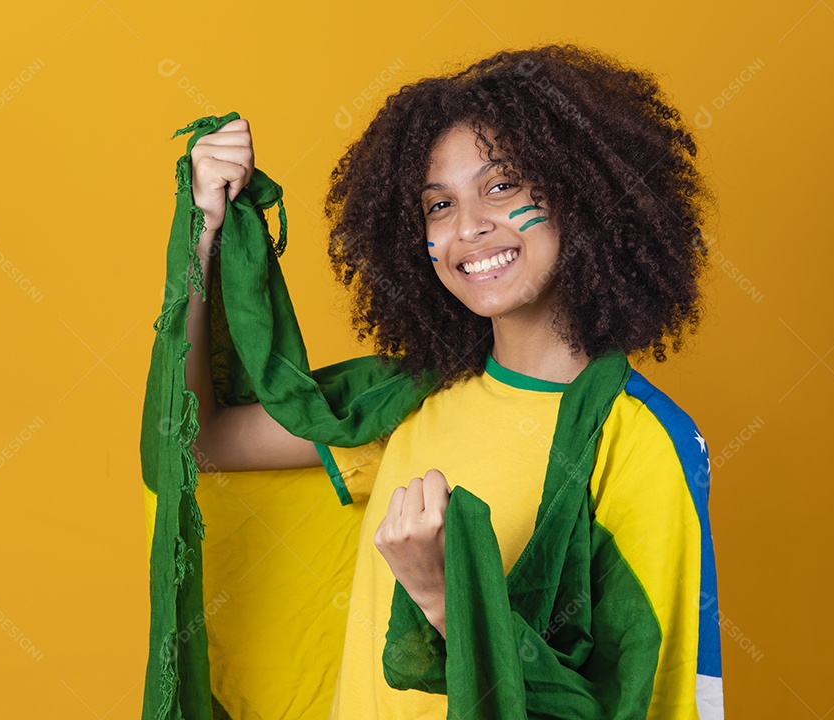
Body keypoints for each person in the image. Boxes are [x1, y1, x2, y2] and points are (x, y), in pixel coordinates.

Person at [184, 43, 722, 719]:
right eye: (438, 205)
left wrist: (443, 595)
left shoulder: (638, 442)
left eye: (502, 186)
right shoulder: (406, 402)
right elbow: (197, 439)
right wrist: (204, 230)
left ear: (581, 194)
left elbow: (634, 703)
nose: (468, 226)